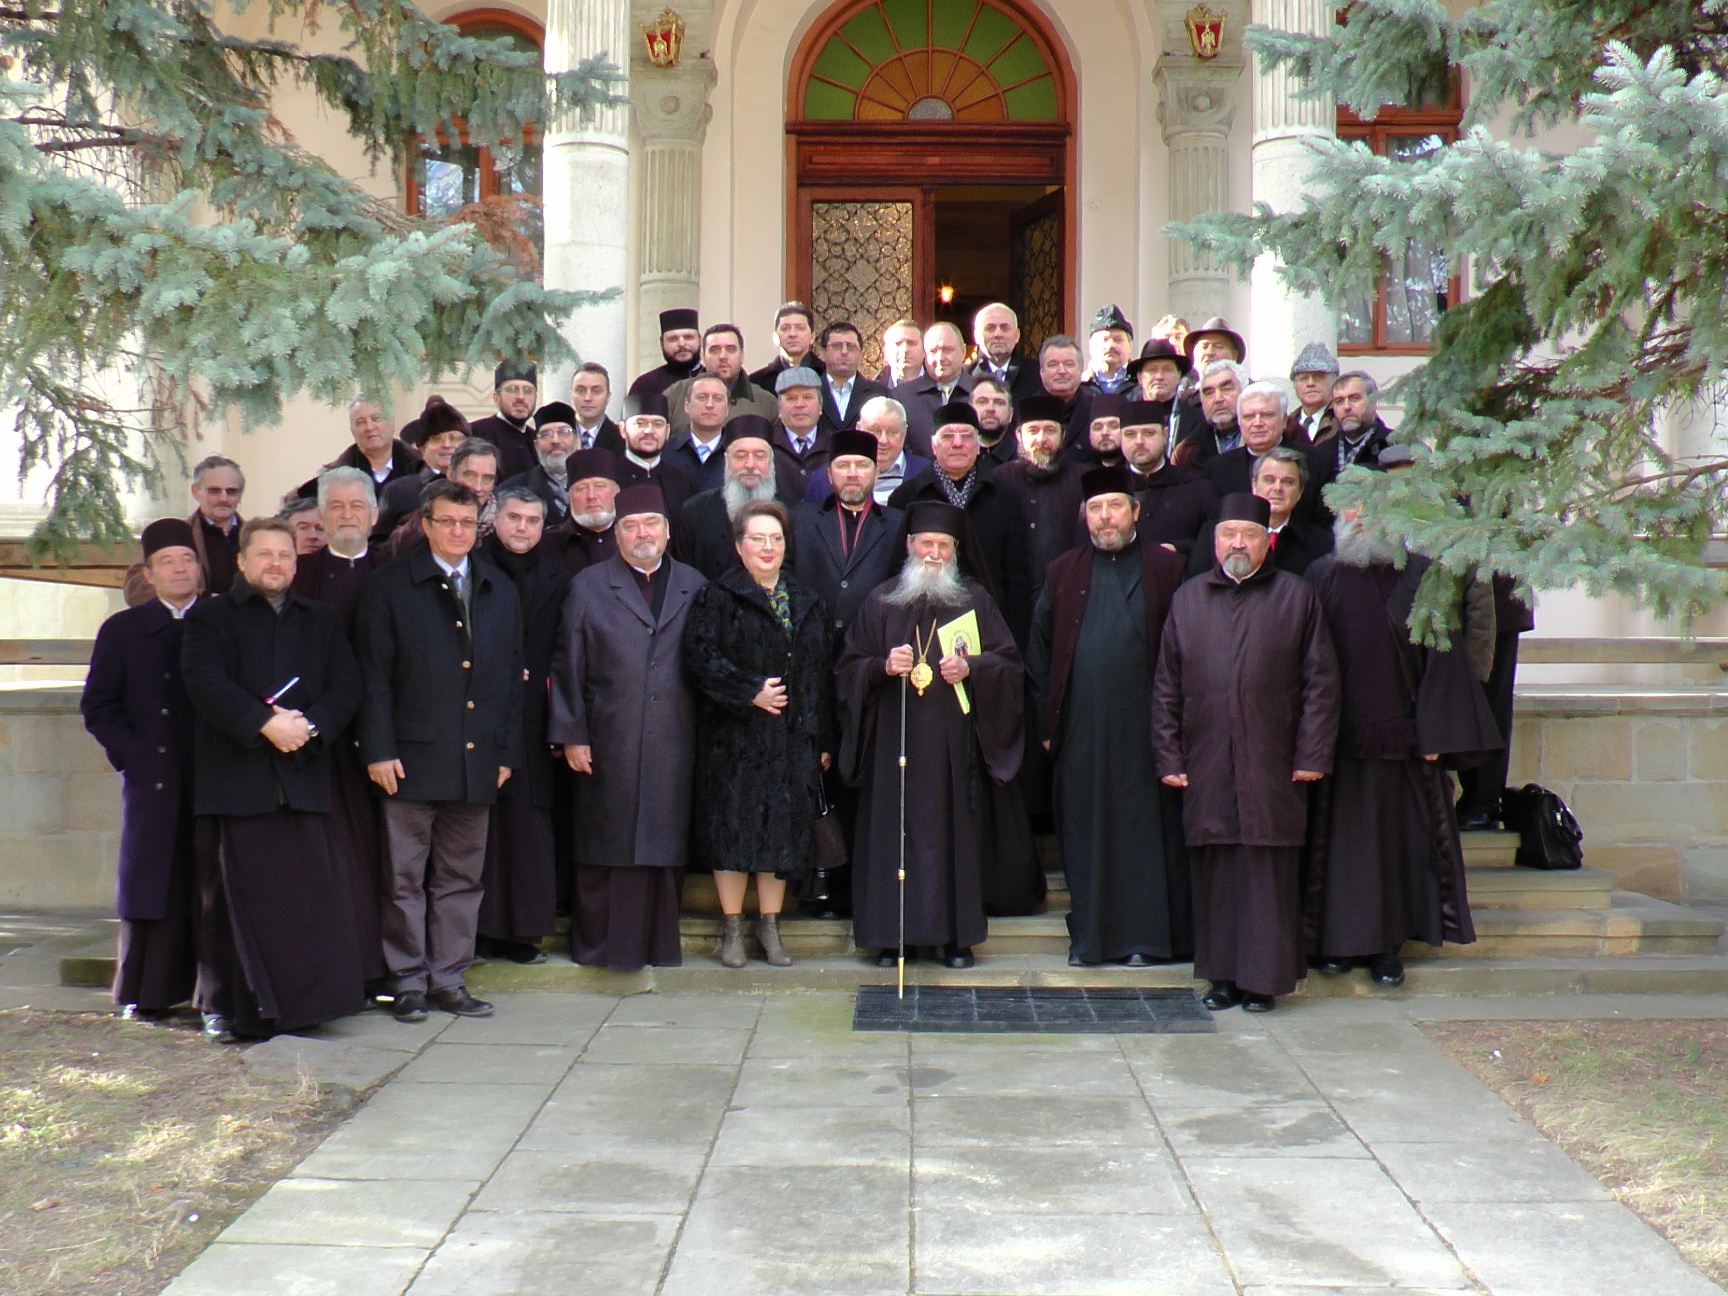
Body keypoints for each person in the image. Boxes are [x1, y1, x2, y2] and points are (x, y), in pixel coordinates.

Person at [1153, 493, 1341, 1012]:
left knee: (1266, 871)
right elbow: (1167, 684)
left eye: (1249, 535)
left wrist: (1312, 754)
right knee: (1216, 873)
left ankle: (1263, 981)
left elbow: (1320, 683)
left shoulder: (1295, 596)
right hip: (1206, 758)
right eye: (1229, 535)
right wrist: (1169, 757)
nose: (1238, 543)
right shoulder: (1188, 598)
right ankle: (1221, 978)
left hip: (1274, 760)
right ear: (1215, 542)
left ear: (1266, 542)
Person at [180, 517, 365, 1041]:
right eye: (264, 555)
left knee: (305, 904)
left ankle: (306, 1008)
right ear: (241, 561)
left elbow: (346, 683)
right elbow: (205, 682)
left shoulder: (321, 620)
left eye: (284, 555)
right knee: (230, 906)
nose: (276, 564)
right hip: (236, 784)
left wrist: (309, 727)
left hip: (301, 778)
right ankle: (226, 1008)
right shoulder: (210, 618)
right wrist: (264, 724)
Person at [1305, 508, 1501, 986]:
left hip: (1405, 745)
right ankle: (1339, 946)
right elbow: (1304, 656)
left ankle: (1388, 952)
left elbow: (1443, 652)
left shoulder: (1419, 575)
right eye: (1351, 512)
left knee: (1397, 854)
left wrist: (1436, 732)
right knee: (1337, 852)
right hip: (1339, 747)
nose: (1361, 520)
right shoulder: (1321, 574)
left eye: (1369, 510)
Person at [356, 479, 525, 1022]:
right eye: (446, 521)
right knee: (404, 877)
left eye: (466, 524)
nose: (457, 532)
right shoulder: (390, 587)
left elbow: (507, 684)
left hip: (476, 761)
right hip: (407, 759)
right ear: (425, 524)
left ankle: (447, 980)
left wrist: (505, 754)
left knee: (460, 878)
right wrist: (377, 750)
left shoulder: (499, 588)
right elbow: (373, 678)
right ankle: (406, 982)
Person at [836, 501, 1027, 968]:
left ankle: (954, 938)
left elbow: (1009, 664)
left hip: (951, 743)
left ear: (956, 552)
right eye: (927, 544)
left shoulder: (974, 600)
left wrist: (972, 667)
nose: (935, 553)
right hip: (891, 743)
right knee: (890, 832)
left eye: (944, 546)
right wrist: (881, 667)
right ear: (908, 546)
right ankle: (888, 936)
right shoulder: (881, 600)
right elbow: (846, 668)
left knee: (950, 836)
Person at [1028, 465, 1190, 966]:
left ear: (1135, 511)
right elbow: (1039, 654)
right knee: (1087, 829)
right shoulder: (1063, 571)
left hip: (1149, 728)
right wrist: (1047, 726)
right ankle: (1092, 939)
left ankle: (1147, 940)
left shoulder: (1168, 570)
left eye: (1115, 506)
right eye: (1095, 509)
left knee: (1146, 834)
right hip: (1082, 729)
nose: (1105, 517)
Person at [549, 484, 707, 970]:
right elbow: (566, 665)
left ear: (666, 531)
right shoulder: (590, 585)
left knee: (663, 843)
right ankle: (602, 949)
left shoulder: (694, 583)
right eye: (631, 526)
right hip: (607, 736)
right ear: (616, 534)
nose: (643, 534)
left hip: (674, 737)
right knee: (607, 842)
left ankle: (658, 946)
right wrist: (571, 733)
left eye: (651, 524)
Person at [685, 500, 836, 967]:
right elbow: (699, 658)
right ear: (739, 546)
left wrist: (822, 738)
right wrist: (750, 690)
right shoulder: (716, 597)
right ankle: (732, 927)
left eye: (775, 539)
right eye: (757, 539)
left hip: (792, 741)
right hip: (733, 740)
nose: (767, 548)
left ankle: (770, 927)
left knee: (780, 835)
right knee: (731, 834)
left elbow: (821, 674)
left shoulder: (807, 600)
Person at [82, 519, 203, 1020]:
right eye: (167, 562)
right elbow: (99, 706)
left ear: (200, 568)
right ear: (149, 575)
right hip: (151, 779)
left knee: (207, 886)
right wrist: (132, 754)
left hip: (211, 779)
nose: (179, 569)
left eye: (187, 559)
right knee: (152, 883)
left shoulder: (221, 620)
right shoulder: (122, 630)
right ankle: (145, 994)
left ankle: (210, 995)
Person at [289, 467, 389, 990]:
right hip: (315, 742)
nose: (347, 516)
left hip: (383, 740)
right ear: (321, 517)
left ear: (374, 515)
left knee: (379, 858)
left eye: (357, 507)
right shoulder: (297, 576)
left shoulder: (396, 571)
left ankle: (377, 969)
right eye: (337, 507)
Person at [475, 487, 572, 965]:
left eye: (533, 521)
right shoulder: (471, 569)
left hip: (536, 717)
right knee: (479, 826)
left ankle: (523, 932)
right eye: (514, 518)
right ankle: (477, 932)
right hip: (479, 711)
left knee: (529, 825)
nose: (523, 528)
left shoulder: (559, 577)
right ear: (494, 519)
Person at [887, 402, 1034, 648]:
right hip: (922, 630)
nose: (957, 443)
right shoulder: (905, 498)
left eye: (966, 436)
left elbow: (1018, 580)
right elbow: (894, 571)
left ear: (978, 446)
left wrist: (1011, 643)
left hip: (989, 626)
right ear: (933, 446)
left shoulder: (1005, 498)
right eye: (947, 436)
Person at [792, 430, 904, 638]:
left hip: (872, 651)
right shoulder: (800, 521)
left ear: (876, 473)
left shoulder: (898, 525)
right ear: (829, 475)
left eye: (862, 465)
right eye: (843, 465)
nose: (852, 473)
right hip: (813, 647)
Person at [677, 416, 802, 579]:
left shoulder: (792, 512)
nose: (750, 465)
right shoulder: (694, 512)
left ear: (771, 461)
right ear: (726, 460)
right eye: (740, 455)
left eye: (759, 455)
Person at [1456, 576, 1534, 830]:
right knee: (1465, 708)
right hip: (1462, 601)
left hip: (1497, 606)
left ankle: (1484, 801)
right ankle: (1474, 797)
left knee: (1492, 705)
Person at [1188, 447, 1332, 578]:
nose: (1277, 488)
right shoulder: (1214, 534)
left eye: (1287, 482)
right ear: (1254, 486)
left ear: (1300, 491)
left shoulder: (1322, 544)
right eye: (1269, 480)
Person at [993, 394, 1086, 597]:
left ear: (1063, 435)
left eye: (1050, 430)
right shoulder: (999, 480)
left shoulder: (1084, 479)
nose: (1041, 439)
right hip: (1014, 599)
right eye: (1033, 431)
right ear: (1019, 436)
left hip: (1071, 594)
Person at [124, 454, 248, 605]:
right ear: (195, 492)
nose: (223, 498)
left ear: (241, 494)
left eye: (231, 491)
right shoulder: (174, 536)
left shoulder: (254, 538)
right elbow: (135, 590)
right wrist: (190, 596)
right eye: (214, 491)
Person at [1122, 401, 1217, 555]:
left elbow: (1214, 545)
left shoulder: (1197, 488)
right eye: (1130, 434)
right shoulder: (1110, 492)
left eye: (1148, 433)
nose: (1139, 441)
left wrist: (1179, 549)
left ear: (1165, 435)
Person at [801, 395, 930, 506]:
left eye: (892, 432)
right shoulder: (823, 479)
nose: (883, 440)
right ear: (859, 429)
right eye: (875, 431)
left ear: (904, 432)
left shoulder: (928, 474)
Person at [374, 396, 470, 542]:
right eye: (437, 439)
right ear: (422, 448)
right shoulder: (398, 490)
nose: (447, 445)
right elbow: (377, 546)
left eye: (455, 438)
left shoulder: (478, 486)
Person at [296, 397, 422, 501]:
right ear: (352, 431)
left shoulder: (421, 467)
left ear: (392, 422)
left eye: (376, 419)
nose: (369, 427)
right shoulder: (332, 477)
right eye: (360, 422)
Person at [668, 323, 778, 434]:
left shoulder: (765, 402)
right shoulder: (676, 395)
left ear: (742, 355)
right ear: (703, 356)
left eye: (730, 350)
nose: (723, 356)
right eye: (715, 350)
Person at [1203, 381, 1298, 498]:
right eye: (1249, 416)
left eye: (1266, 415)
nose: (1257, 423)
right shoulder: (1216, 469)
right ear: (1239, 422)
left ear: (1284, 421)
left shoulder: (1317, 463)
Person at [615, 390, 696, 522]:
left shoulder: (682, 482)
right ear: (623, 429)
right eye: (640, 423)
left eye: (658, 424)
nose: (649, 431)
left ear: (667, 431)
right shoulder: (609, 478)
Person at [537, 448, 620, 576]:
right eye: (581, 488)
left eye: (600, 486)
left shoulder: (635, 538)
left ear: (617, 491)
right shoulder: (546, 545)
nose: (591, 496)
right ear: (569, 497)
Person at [893, 321, 973, 454]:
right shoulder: (902, 397)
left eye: (947, 350)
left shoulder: (981, 394)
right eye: (933, 351)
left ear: (963, 351)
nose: (940, 358)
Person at [500, 401, 579, 524]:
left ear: (577, 442)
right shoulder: (510, 489)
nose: (555, 440)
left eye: (563, 432)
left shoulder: (595, 488)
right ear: (536, 445)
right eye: (546, 434)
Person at [1175, 317, 1246, 452]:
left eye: (1218, 346)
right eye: (1204, 346)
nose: (1209, 352)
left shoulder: (1254, 394)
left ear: (1235, 355)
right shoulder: (1184, 401)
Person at [471, 360, 542, 480]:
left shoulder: (537, 439)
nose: (521, 397)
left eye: (527, 391)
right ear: (496, 397)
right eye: (512, 389)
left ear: (535, 397)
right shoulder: (476, 432)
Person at [665, 372, 732, 493]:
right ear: (686, 405)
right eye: (702, 398)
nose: (710, 405)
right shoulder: (665, 452)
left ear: (727, 408)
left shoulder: (737, 454)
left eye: (718, 399)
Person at [770, 366, 832, 498]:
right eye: (791, 398)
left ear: (820, 407)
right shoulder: (766, 446)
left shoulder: (836, 446)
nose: (800, 404)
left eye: (807, 397)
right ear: (779, 409)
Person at [817, 320, 889, 432]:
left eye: (851, 347)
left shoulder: (880, 394)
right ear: (822, 353)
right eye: (836, 346)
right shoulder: (811, 391)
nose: (844, 352)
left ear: (860, 354)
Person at [967, 302, 1043, 402]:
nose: (998, 334)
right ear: (976, 336)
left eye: (1005, 328)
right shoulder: (966, 376)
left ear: (1017, 335)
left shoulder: (1038, 373)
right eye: (990, 328)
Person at [629, 307, 702, 398]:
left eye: (688, 337)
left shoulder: (714, 379)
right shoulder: (644, 385)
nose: (681, 344)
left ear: (700, 339)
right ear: (662, 343)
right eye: (673, 339)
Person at [750, 301, 825, 389]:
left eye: (800, 328)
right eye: (785, 328)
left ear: (812, 337)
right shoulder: (755, 383)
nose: (792, 334)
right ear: (775, 337)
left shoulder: (827, 376)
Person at [569, 361, 626, 455]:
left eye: (596, 391)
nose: (587, 398)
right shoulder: (557, 437)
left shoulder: (623, 440)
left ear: (608, 397)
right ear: (571, 395)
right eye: (580, 391)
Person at [1289, 342, 1340, 444]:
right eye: (1303, 378)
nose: (1310, 383)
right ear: (1294, 385)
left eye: (1318, 377)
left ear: (1335, 382)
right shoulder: (1287, 424)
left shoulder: (1343, 419)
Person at [1080, 304, 1135, 397]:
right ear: (1090, 346)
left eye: (1118, 340)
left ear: (1130, 346)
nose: (1110, 346)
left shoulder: (1141, 385)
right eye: (1104, 340)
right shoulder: (1078, 387)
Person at [969, 376, 1017, 467]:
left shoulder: (1023, 460)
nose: (990, 409)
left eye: (999, 403)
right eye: (982, 402)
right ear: (969, 410)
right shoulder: (956, 456)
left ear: (1011, 414)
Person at [874, 318, 925, 388]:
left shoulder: (940, 389)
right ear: (886, 352)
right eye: (898, 344)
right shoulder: (872, 392)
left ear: (924, 350)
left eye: (911, 343)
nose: (905, 349)